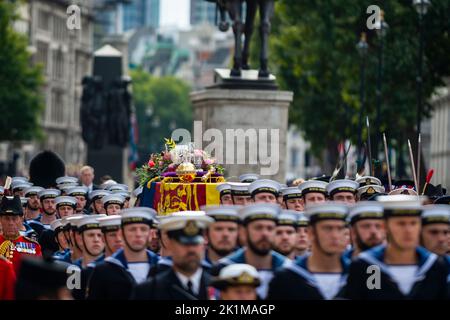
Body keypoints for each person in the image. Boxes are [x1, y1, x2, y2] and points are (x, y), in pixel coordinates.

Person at [343, 195, 448, 299]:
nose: (408, 230)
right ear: (385, 227)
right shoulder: (366, 265)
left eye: (413, 223)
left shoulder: (434, 265)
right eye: (401, 224)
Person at [268, 202, 350, 300]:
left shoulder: (357, 275)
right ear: (311, 233)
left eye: (340, 229)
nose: (335, 236)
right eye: (327, 229)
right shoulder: (287, 277)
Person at [212, 203, 287, 299]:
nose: (265, 234)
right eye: (258, 228)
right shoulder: (221, 268)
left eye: (270, 228)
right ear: (243, 232)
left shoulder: (288, 269)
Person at [132, 211, 213, 300]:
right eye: (184, 243)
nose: (191, 249)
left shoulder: (220, 288)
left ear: (204, 243)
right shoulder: (148, 291)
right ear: (169, 244)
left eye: (196, 243)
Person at [87, 207, 159, 299]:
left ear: (151, 234)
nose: (138, 234)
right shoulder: (103, 271)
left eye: (143, 229)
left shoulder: (162, 268)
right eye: (132, 229)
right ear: (121, 234)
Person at [0, 196, 42, 274]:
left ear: (21, 219)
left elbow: (37, 276)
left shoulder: (33, 246)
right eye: (6, 218)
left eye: (14, 218)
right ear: (0, 220)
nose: (11, 223)